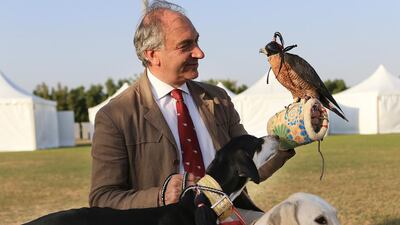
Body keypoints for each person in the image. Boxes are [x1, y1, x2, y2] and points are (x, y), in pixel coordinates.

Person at [89, 0, 295, 218]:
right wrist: (160, 196)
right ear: (152, 55)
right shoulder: (116, 116)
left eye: (196, 41)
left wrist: (293, 134)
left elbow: (253, 163)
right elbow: (103, 198)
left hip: (231, 218)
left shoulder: (218, 100)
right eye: (185, 45)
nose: (199, 53)